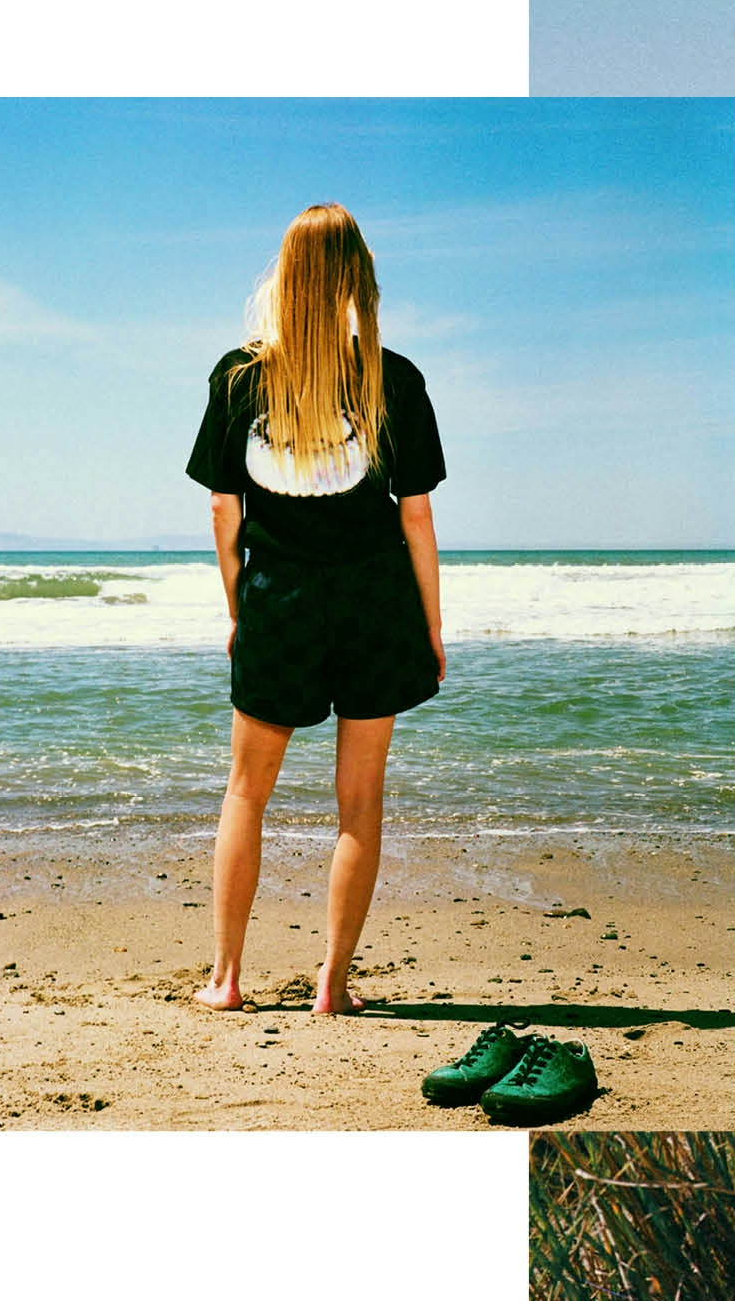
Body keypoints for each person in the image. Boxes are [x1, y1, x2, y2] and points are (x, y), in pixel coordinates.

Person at [183, 203, 449, 1015]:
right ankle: (332, 984)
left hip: (279, 600)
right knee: (359, 801)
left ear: (286, 275)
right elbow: (416, 517)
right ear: (358, 280)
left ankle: (227, 979)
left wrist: (240, 608)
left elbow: (224, 510)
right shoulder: (393, 379)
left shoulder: (240, 378)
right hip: (377, 603)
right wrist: (432, 626)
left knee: (245, 792)